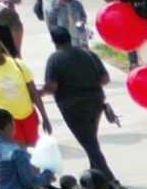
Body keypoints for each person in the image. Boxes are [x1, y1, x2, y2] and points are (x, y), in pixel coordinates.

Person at [42, 26, 111, 166]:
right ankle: (96, 175)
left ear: (54, 41)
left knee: (89, 143)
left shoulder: (55, 59)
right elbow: (105, 79)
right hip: (95, 101)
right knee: (91, 140)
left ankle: (109, 178)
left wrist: (38, 93)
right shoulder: (88, 54)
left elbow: (51, 87)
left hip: (72, 106)